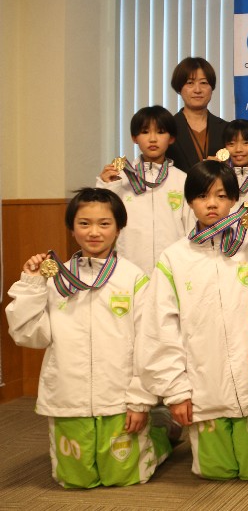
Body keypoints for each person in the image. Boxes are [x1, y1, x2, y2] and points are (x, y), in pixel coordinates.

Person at [140, 161, 248, 480]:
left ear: (234, 200)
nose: (212, 203)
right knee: (215, 472)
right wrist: (175, 391)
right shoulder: (174, 258)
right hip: (204, 387)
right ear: (189, 201)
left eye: (222, 195)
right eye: (202, 195)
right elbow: (160, 330)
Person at [5, 188, 171, 488]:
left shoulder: (134, 279)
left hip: (119, 399)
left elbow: (149, 343)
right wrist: (31, 285)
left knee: (124, 476)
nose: (94, 232)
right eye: (84, 223)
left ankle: (160, 433)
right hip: (68, 398)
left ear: (119, 227)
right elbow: (29, 335)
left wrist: (140, 401)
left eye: (104, 223)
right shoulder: (56, 278)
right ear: (71, 228)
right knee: (74, 481)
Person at [98, 105, 192, 275]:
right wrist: (106, 186)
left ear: (171, 138)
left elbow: (191, 227)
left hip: (173, 267)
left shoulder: (183, 180)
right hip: (130, 265)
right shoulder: (120, 178)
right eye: (145, 132)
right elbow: (102, 217)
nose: (153, 139)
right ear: (134, 137)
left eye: (161, 132)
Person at [166, 57, 228, 172]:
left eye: (204, 83)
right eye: (190, 83)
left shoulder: (227, 129)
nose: (198, 90)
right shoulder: (166, 129)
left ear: (212, 88)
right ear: (179, 88)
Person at [220, 119, 248, 200]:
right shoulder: (217, 177)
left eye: (246, 143)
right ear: (224, 148)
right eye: (231, 144)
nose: (238, 149)